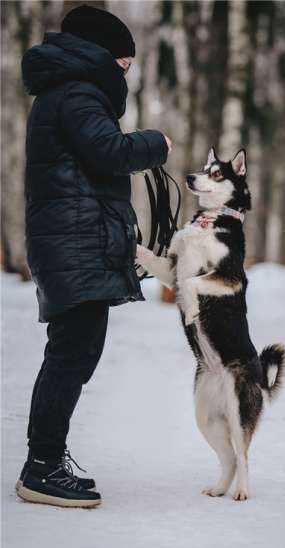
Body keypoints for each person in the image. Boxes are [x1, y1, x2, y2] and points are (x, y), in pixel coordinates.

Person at [16, 4, 172, 508]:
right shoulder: (79, 93)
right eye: (123, 63)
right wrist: (155, 143)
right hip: (74, 243)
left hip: (73, 241)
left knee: (73, 352)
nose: (125, 73)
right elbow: (110, 153)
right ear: (104, 56)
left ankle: (44, 462)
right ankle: (41, 468)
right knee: (71, 355)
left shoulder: (63, 91)